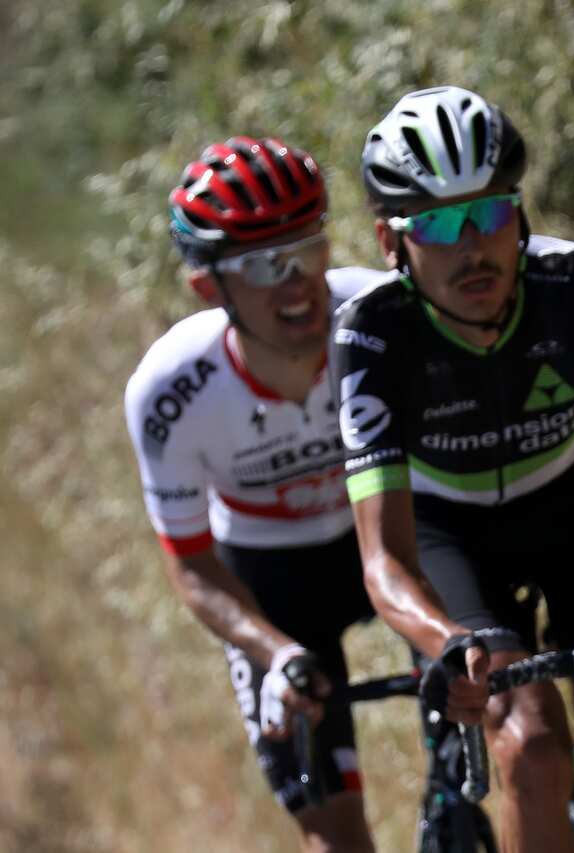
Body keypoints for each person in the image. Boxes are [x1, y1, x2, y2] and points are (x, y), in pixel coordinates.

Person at [330, 86, 574, 852]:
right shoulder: (371, 336)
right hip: (451, 538)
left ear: (520, 215)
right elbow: (382, 560)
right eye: (437, 223)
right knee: (534, 748)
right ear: (389, 242)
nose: (472, 246)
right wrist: (442, 638)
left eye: (491, 213)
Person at [125, 137, 381, 852]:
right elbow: (192, 566)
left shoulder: (379, 314)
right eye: (264, 266)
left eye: (306, 250)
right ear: (209, 287)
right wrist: (274, 651)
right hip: (271, 577)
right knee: (334, 836)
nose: (296, 283)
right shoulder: (170, 390)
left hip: (390, 539)